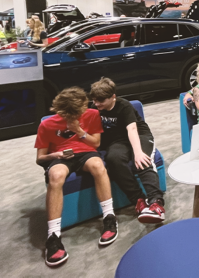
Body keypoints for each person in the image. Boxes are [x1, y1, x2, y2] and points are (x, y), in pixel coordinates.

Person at [35, 87, 117, 267]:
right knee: (55, 175)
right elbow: (40, 159)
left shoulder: (92, 114)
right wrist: (55, 156)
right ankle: (53, 236)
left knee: (98, 166)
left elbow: (96, 143)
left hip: (86, 152)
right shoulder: (46, 125)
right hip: (60, 157)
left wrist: (79, 130)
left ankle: (109, 217)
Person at [90, 78, 165, 223]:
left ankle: (156, 203)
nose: (96, 104)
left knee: (142, 160)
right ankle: (139, 200)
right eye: (94, 100)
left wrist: (137, 152)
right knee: (113, 159)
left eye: (101, 101)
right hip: (117, 141)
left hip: (140, 135)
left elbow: (132, 128)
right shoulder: (95, 109)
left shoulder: (124, 105)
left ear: (113, 97)